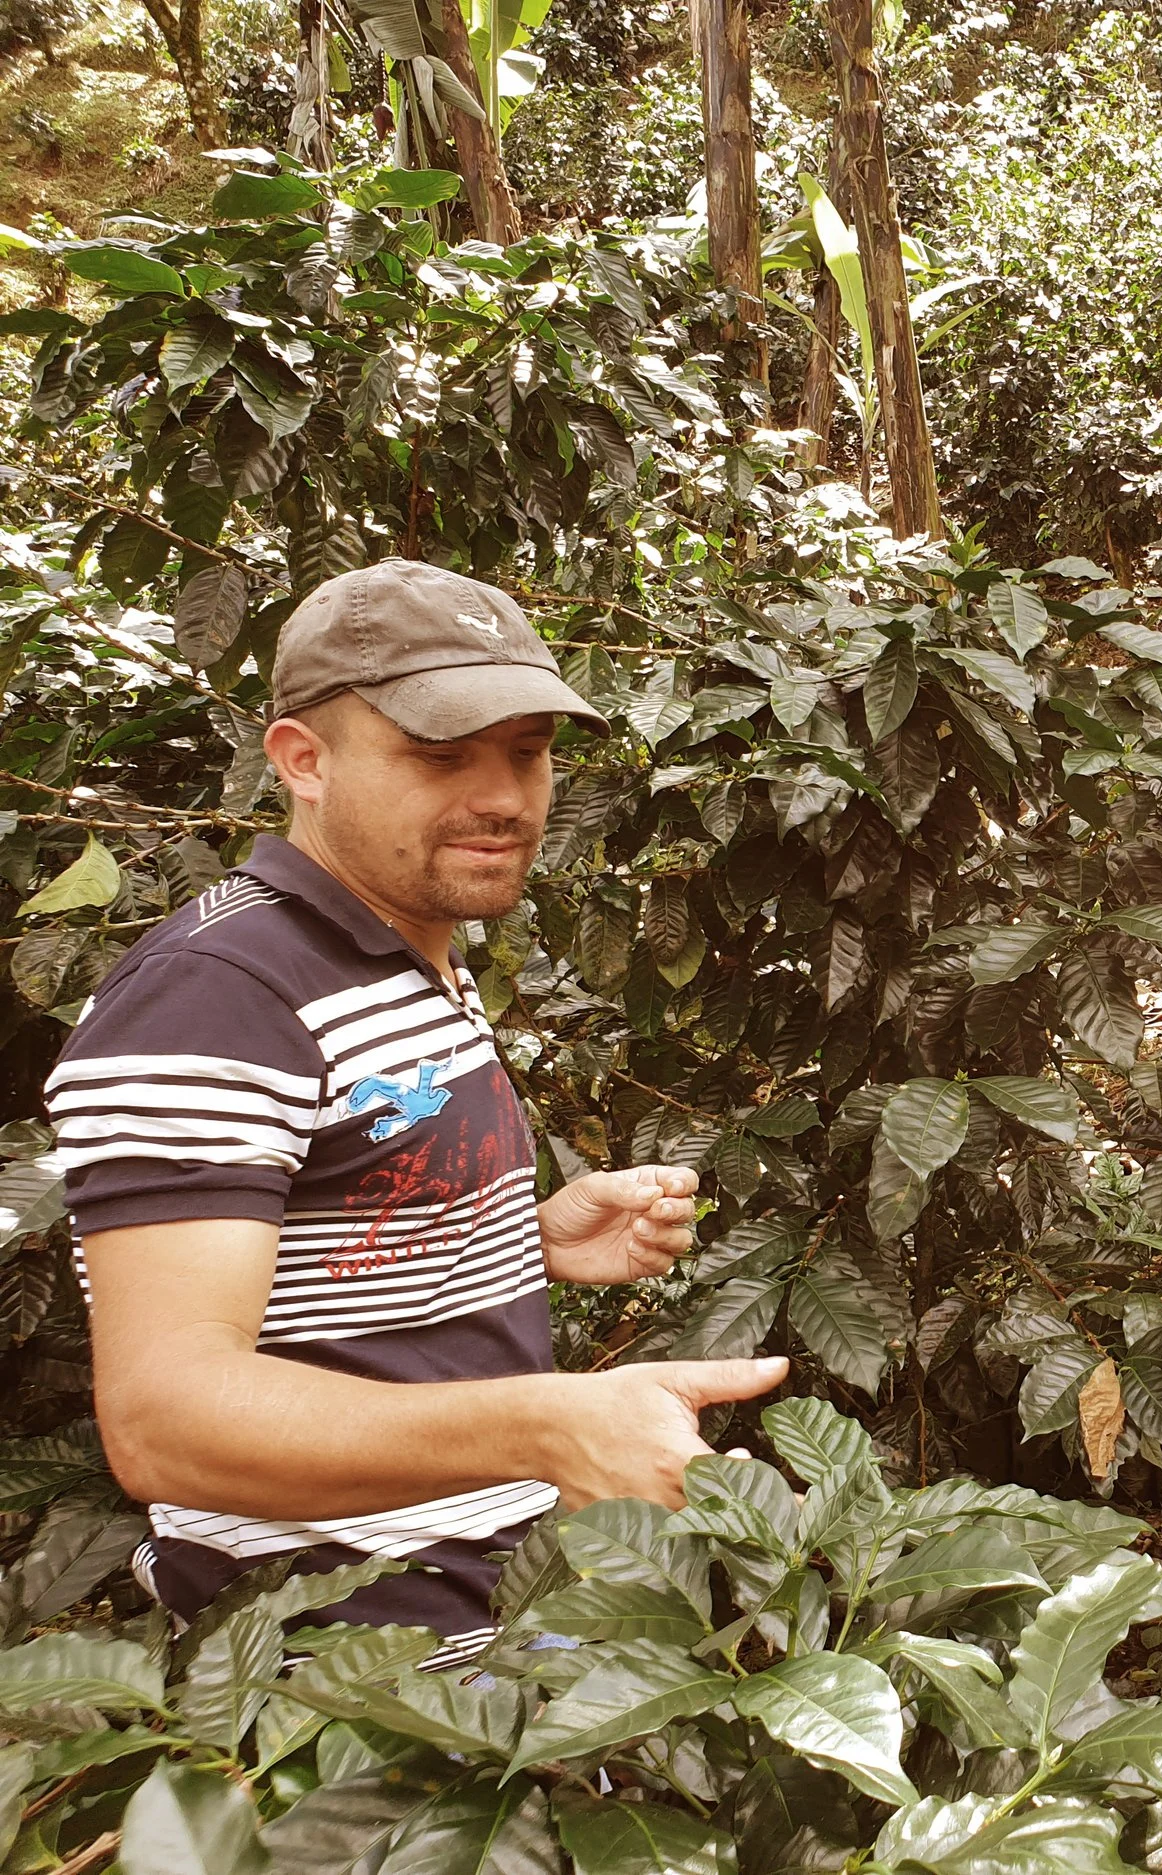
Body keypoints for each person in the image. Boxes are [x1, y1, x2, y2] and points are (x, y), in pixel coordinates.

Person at [45, 559, 788, 1666]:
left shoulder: (396, 951)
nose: (501, 797)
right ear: (301, 759)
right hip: (350, 1674)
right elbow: (165, 1420)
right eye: (440, 757)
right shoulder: (218, 997)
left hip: (510, 1609)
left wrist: (515, 1239)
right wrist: (550, 1423)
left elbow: (315, 1245)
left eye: (527, 753)